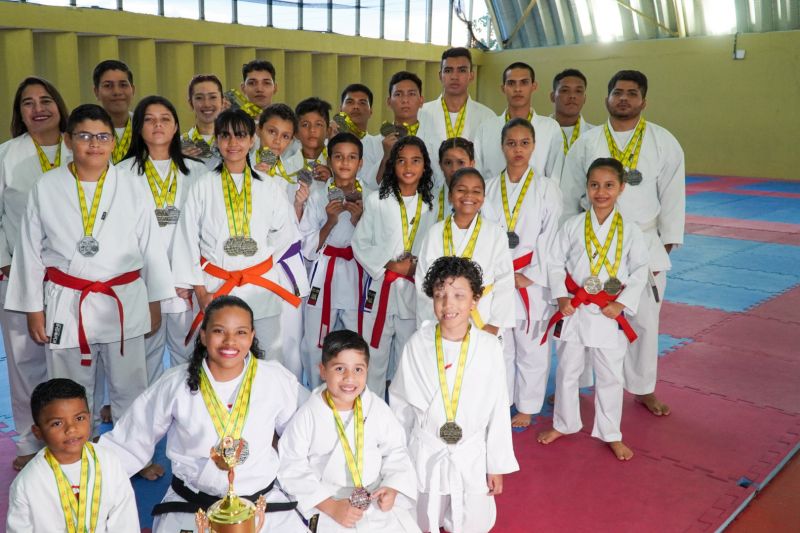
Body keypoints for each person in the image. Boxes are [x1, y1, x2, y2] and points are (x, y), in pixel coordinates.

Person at [5, 103, 174, 433]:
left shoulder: (132, 185)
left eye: (102, 136)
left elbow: (151, 247)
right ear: (68, 141)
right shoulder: (46, 186)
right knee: (70, 385)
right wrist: (33, 308)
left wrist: (155, 301)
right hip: (68, 300)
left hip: (122, 299)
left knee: (130, 385)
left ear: (113, 142)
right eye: (84, 136)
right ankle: (79, 451)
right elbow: (28, 250)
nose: (94, 144)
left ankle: (133, 454)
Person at [99, 295, 309, 532]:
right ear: (203, 335)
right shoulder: (176, 382)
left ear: (252, 336)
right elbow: (130, 440)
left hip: (263, 504)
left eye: (240, 332)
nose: (230, 341)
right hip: (192, 505)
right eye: (219, 331)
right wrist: (83, 475)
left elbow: (309, 430)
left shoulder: (275, 379)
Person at [560, 70, 685, 417]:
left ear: (643, 101)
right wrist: (567, 242)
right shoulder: (588, 141)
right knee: (586, 312)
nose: (624, 98)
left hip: (643, 240)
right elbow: (570, 191)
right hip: (591, 239)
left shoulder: (663, 141)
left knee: (644, 319)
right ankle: (579, 380)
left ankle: (643, 388)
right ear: (607, 98)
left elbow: (673, 194)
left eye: (632, 93)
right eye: (618, 92)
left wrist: (669, 241)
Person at [390, 256, 518, 533]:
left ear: (475, 300)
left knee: (475, 523)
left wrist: (495, 464)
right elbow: (400, 406)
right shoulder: (417, 344)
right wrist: (397, 463)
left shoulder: (489, 347)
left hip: (470, 451)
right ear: (431, 300)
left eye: (459, 295)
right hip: (427, 450)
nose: (449, 305)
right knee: (420, 521)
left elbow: (498, 409)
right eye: (440, 296)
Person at [537, 158, 649, 460]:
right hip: (575, 307)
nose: (601, 192)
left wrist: (621, 303)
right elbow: (555, 263)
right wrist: (561, 296)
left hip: (608, 311)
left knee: (611, 375)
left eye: (609, 185)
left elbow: (640, 269)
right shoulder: (572, 226)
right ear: (587, 187)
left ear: (622, 188)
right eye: (595, 185)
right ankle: (564, 422)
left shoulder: (631, 231)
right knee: (568, 371)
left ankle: (611, 433)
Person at [171, 109, 302, 364]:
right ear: (217, 141)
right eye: (225, 136)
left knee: (267, 358)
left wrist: (260, 263)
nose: (233, 143)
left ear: (252, 139)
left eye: (241, 136)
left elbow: (284, 233)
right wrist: (199, 292)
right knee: (217, 357)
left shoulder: (269, 185)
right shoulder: (202, 185)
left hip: (260, 286)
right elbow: (186, 239)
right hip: (215, 287)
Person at [278, 330, 420, 532]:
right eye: (339, 369)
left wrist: (392, 487)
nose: (349, 378)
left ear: (367, 370)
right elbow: (291, 465)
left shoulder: (377, 408)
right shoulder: (309, 414)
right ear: (323, 370)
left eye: (358, 370)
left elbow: (396, 450)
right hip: (328, 501)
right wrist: (331, 506)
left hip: (374, 497)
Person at [0, 76, 71, 470]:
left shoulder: (80, 149)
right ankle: (29, 438)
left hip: (72, 278)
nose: (38, 108)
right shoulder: (6, 155)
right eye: (28, 103)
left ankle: (71, 435)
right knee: (25, 361)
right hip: (20, 277)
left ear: (59, 105)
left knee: (68, 359)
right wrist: (6, 261)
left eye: (46, 99)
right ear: (19, 112)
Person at [118, 95, 207, 383]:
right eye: (149, 119)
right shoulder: (121, 173)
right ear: (138, 127)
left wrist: (192, 278)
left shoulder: (198, 171)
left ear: (176, 126)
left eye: (165, 119)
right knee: (145, 359)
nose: (158, 125)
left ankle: (189, 417)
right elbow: (121, 236)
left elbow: (206, 230)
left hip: (186, 285)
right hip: (143, 283)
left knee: (189, 355)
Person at [482, 118, 562, 428]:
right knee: (501, 348)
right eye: (512, 143)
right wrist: (498, 273)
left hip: (532, 280)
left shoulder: (547, 188)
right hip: (498, 278)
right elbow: (483, 234)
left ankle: (528, 406)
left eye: (524, 143)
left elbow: (551, 236)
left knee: (532, 348)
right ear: (502, 146)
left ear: (534, 146)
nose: (518, 149)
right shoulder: (488, 187)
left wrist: (531, 274)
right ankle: (502, 402)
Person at [351, 136, 437, 398]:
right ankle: (370, 411)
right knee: (374, 354)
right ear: (392, 165)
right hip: (381, 286)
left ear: (425, 166)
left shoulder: (431, 205)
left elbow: (437, 247)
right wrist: (390, 264)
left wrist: (415, 268)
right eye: (401, 160)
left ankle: (401, 419)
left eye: (415, 160)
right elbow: (360, 242)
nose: (408, 167)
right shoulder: (377, 200)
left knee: (406, 357)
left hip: (414, 287)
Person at [7, 378, 139, 532]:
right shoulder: (27, 483)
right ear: (38, 432)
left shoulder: (109, 462)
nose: (71, 429)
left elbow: (125, 520)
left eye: (79, 418)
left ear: (89, 418)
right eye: (57, 423)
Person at [414, 167, 515, 336]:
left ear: (483, 198)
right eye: (461, 190)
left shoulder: (495, 233)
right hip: (443, 316)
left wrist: (495, 324)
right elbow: (423, 280)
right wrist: (429, 322)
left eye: (476, 191)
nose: (469, 196)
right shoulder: (435, 232)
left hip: (482, 318)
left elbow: (504, 280)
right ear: (450, 196)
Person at [300, 132, 366, 388]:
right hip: (324, 273)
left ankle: (352, 395)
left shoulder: (370, 197)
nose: (345, 163)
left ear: (361, 163)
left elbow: (377, 243)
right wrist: (329, 222)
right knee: (315, 342)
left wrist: (360, 219)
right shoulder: (317, 195)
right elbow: (307, 246)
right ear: (329, 159)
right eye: (338, 157)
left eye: (352, 157)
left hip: (356, 274)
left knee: (356, 339)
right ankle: (315, 394)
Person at [253, 103, 312, 381]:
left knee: (289, 341)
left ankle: (290, 403)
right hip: (253, 267)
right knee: (256, 339)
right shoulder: (242, 171)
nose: (277, 141)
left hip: (285, 267)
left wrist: (299, 205)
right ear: (258, 131)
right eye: (272, 132)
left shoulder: (292, 174)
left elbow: (296, 228)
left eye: (285, 136)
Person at [474, 61, 563, 183]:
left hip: (537, 200)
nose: (517, 89)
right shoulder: (486, 128)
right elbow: (477, 174)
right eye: (511, 83)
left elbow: (555, 177)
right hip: (492, 199)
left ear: (534, 86)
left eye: (524, 82)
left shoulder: (550, 128)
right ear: (503, 88)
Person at [417, 47, 496, 181]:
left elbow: (491, 165)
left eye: (462, 70)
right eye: (448, 70)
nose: (454, 76)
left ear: (471, 75)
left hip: (471, 195)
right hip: (430, 196)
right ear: (440, 75)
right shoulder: (421, 114)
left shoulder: (487, 117)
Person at [375, 71, 429, 186]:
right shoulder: (375, 142)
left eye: (411, 94)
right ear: (389, 102)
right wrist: (387, 156)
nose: (405, 100)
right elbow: (373, 186)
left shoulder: (434, 140)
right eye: (398, 94)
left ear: (421, 101)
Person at [332, 84, 383, 191]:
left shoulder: (381, 146)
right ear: (341, 109)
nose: (356, 107)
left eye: (362, 103)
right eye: (350, 102)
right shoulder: (328, 142)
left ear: (371, 111)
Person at [92, 60, 135, 164]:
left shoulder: (145, 126)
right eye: (108, 86)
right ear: (96, 92)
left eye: (123, 85)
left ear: (133, 90)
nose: (117, 92)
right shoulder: (87, 130)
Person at [550, 68, 595, 159]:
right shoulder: (536, 132)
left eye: (578, 91)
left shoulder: (596, 135)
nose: (572, 96)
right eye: (565, 90)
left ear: (584, 98)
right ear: (552, 97)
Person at [182, 74, 224, 169]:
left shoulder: (236, 142)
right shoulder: (179, 146)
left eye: (212, 97)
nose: (206, 104)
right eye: (199, 98)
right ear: (191, 104)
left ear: (222, 101)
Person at [433, 137, 475, 222]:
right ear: (440, 165)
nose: (454, 169)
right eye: (448, 163)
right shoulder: (430, 200)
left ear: (472, 164)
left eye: (461, 163)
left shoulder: (482, 202)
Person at [295, 96, 334, 186]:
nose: (312, 129)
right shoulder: (285, 168)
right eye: (305, 125)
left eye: (318, 124)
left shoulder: (338, 165)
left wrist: (332, 179)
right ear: (296, 133)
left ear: (328, 131)